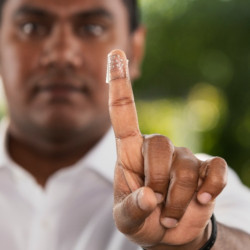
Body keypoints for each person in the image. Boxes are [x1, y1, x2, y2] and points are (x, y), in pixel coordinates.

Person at [0, 0, 249, 249]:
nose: (62, 54)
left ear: (136, 49)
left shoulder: (198, 189)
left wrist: (199, 241)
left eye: (92, 28)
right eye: (31, 27)